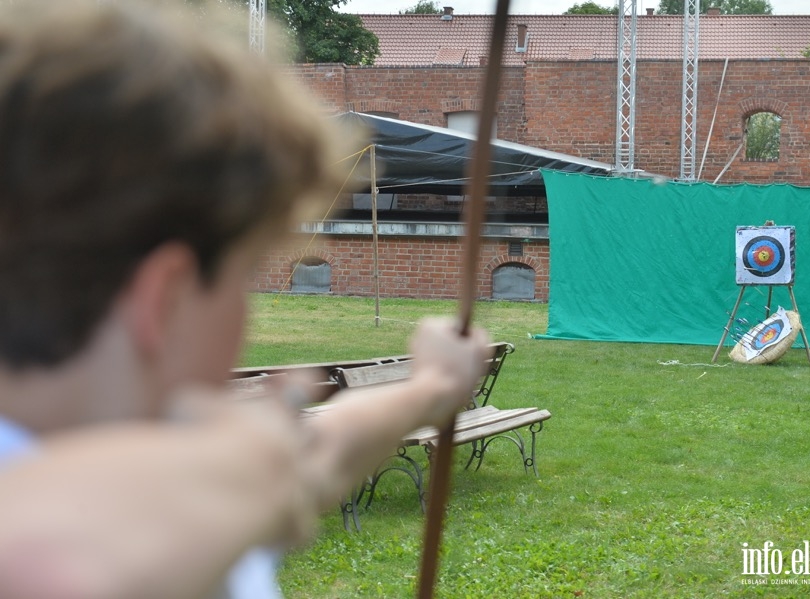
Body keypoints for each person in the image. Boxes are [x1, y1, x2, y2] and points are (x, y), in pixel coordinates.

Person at [0, 2, 491, 599]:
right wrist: (260, 462)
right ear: (169, 299)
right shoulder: (138, 519)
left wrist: (432, 388)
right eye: (243, 275)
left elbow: (326, 450)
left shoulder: (191, 479)